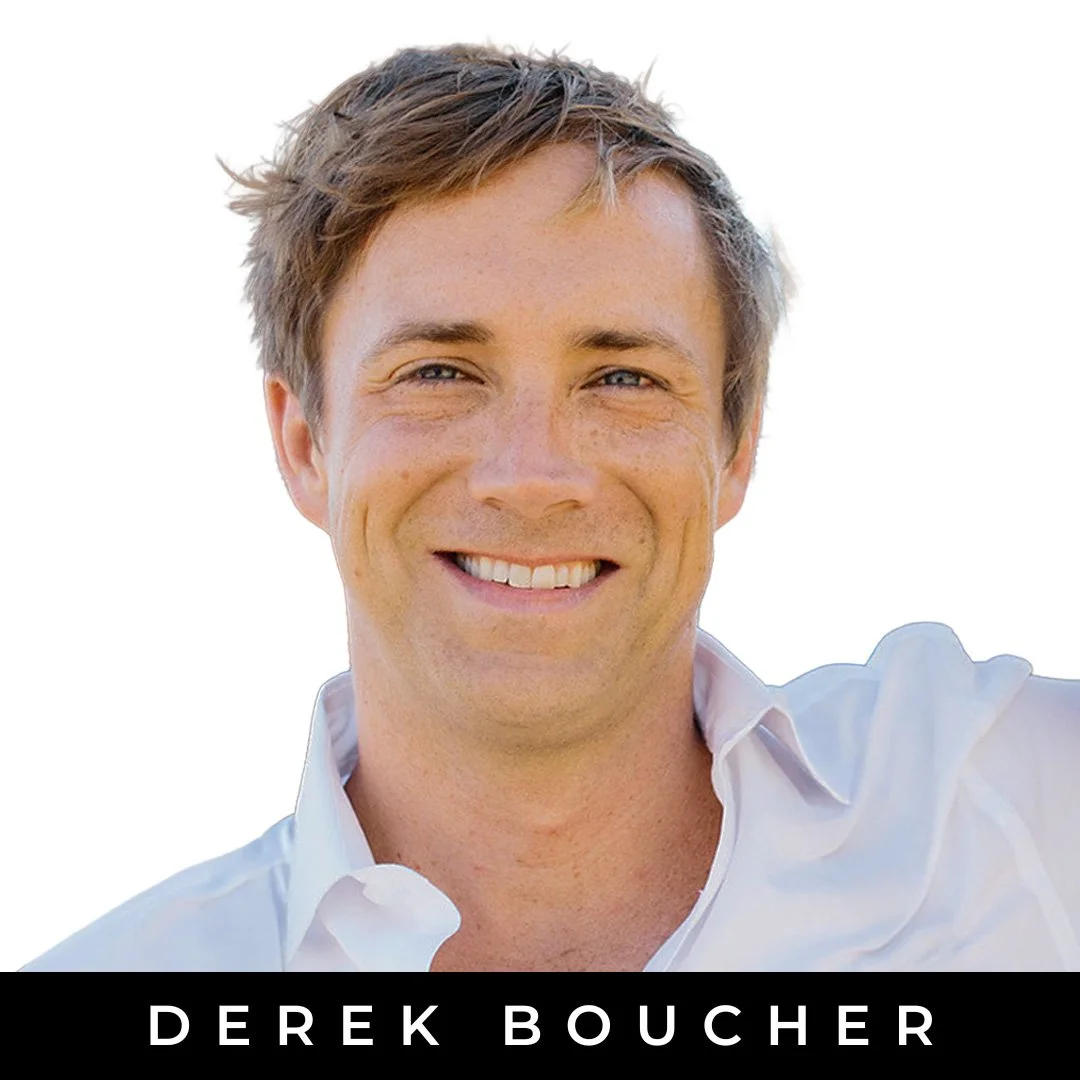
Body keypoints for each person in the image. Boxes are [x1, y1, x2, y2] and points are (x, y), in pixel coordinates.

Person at [23, 43, 1078, 973]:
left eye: (622, 380)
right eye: (440, 372)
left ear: (736, 449)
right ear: (305, 443)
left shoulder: (1006, 807)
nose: (532, 475)